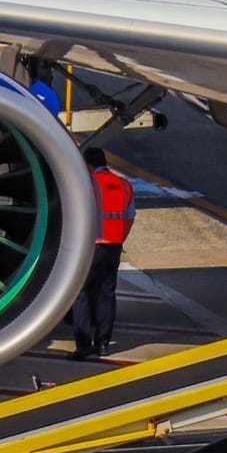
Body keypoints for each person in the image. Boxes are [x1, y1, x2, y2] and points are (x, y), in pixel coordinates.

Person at [70, 148, 135, 360]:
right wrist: (118, 238)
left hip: (91, 247)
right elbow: (130, 217)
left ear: (87, 165)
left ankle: (83, 344)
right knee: (107, 294)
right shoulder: (124, 185)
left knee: (82, 294)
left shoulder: (88, 185)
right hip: (114, 247)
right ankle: (104, 343)